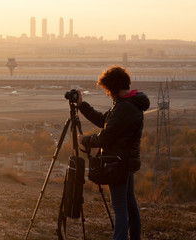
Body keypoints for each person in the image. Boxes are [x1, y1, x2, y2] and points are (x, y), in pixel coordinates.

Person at [77, 66, 150, 240]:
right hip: (126, 161)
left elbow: (105, 138)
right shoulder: (129, 104)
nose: (108, 94)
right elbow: (105, 121)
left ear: (114, 88)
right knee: (129, 203)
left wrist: (84, 140)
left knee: (120, 206)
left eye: (108, 90)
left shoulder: (125, 107)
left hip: (118, 163)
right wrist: (82, 106)